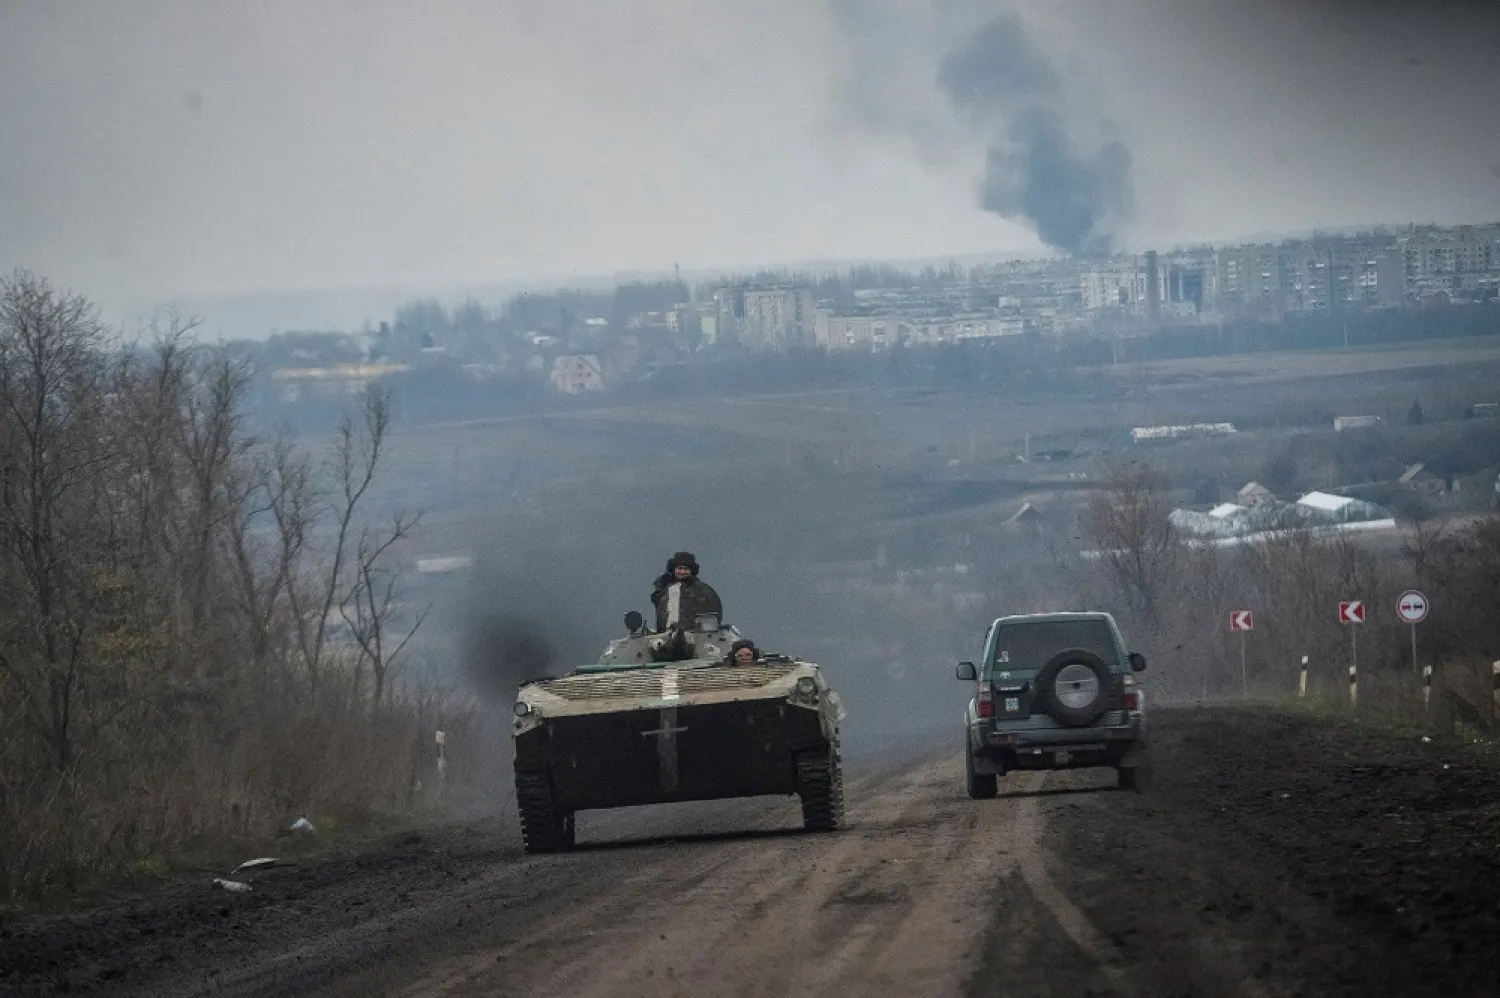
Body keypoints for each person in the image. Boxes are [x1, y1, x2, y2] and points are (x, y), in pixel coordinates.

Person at [650, 551, 723, 632]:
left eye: (686, 569)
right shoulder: (663, 588)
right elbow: (656, 598)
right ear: (673, 569)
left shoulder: (703, 591)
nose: (682, 572)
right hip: (665, 635)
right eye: (679, 568)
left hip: (696, 636)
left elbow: (714, 612)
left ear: (692, 570)